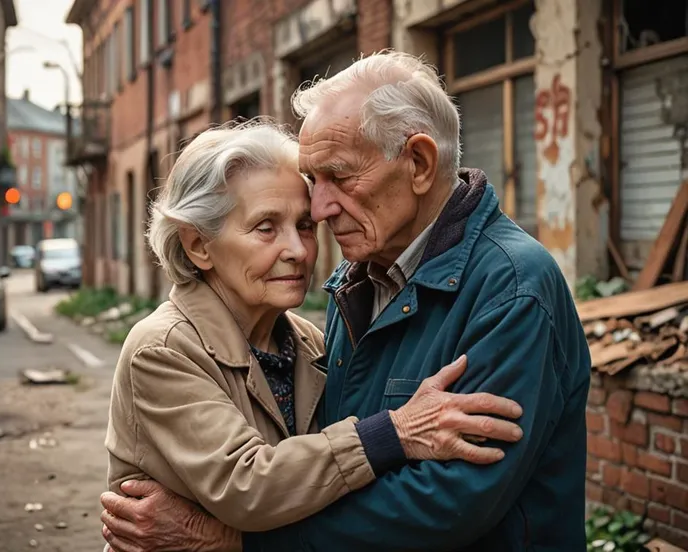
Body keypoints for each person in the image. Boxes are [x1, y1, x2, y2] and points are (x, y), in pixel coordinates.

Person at [102, 51, 591, 551]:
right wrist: (395, 432)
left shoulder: (511, 289)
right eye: (313, 182)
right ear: (197, 245)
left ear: (419, 163)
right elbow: (304, 471)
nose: (319, 208)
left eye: (338, 176)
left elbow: (451, 500)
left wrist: (236, 542)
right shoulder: (355, 284)